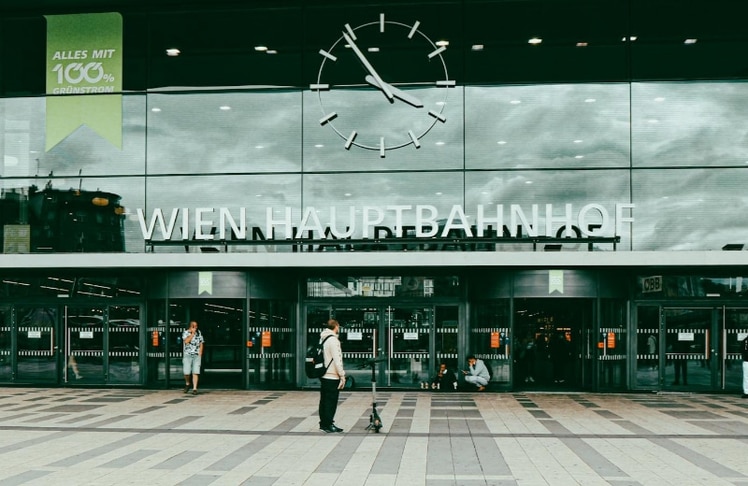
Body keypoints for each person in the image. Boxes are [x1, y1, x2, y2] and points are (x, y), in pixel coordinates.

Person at [318, 318, 346, 433]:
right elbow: (337, 360)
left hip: (323, 374)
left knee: (324, 400)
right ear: (336, 326)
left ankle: (323, 423)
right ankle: (329, 424)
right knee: (331, 401)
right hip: (332, 375)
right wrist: (342, 375)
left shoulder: (322, 338)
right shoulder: (333, 340)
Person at [182, 320, 204, 395]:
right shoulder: (185, 333)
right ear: (190, 327)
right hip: (187, 354)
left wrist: (200, 352)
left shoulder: (199, 333)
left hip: (196, 354)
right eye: (194, 326)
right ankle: (188, 383)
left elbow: (201, 342)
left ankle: (195, 388)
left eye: (196, 326)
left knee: (195, 371)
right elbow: (186, 341)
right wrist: (192, 334)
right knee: (186, 372)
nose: (195, 328)